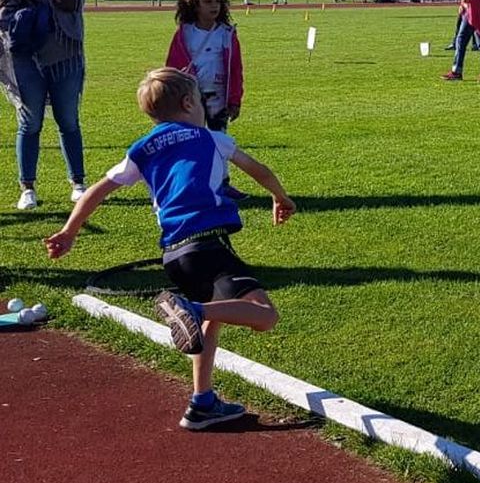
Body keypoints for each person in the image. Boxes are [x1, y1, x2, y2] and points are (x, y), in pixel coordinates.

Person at [45, 67, 296, 430]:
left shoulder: (142, 149)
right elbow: (259, 170)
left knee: (212, 320)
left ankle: (202, 402)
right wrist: (281, 197)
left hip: (174, 254)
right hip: (207, 244)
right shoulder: (212, 139)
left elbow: (97, 190)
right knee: (264, 315)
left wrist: (69, 232)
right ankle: (189, 309)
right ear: (189, 103)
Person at [0, 0, 87, 210]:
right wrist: (24, 21)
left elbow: (68, 2)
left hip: (65, 55)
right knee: (30, 122)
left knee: (68, 120)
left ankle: (78, 183)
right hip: (25, 59)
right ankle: (27, 188)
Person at [165, 0, 246, 199]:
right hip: (190, 98)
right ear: (194, 4)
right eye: (208, 1)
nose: (214, 6)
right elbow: (172, 65)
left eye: (217, 1)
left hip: (218, 98)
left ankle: (222, 183)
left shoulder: (227, 33)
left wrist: (235, 99)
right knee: (192, 141)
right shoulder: (185, 33)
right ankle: (192, 184)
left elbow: (236, 69)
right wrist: (173, 95)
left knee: (219, 140)